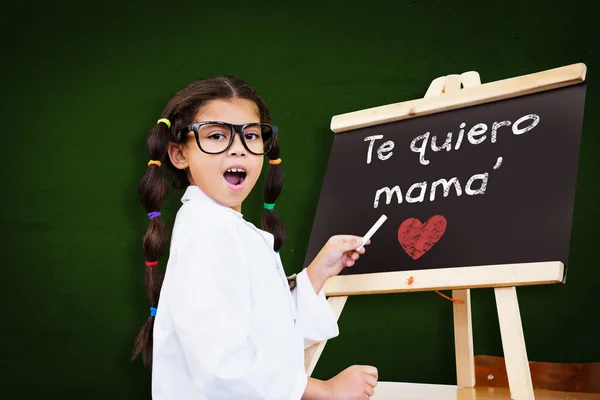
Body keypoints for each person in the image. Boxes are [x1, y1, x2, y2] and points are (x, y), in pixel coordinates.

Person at [131, 76, 378, 399]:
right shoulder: (207, 232)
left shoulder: (224, 226)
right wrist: (325, 391)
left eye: (251, 136)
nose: (238, 149)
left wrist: (318, 272)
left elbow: (264, 329)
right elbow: (222, 366)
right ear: (178, 154)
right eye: (217, 136)